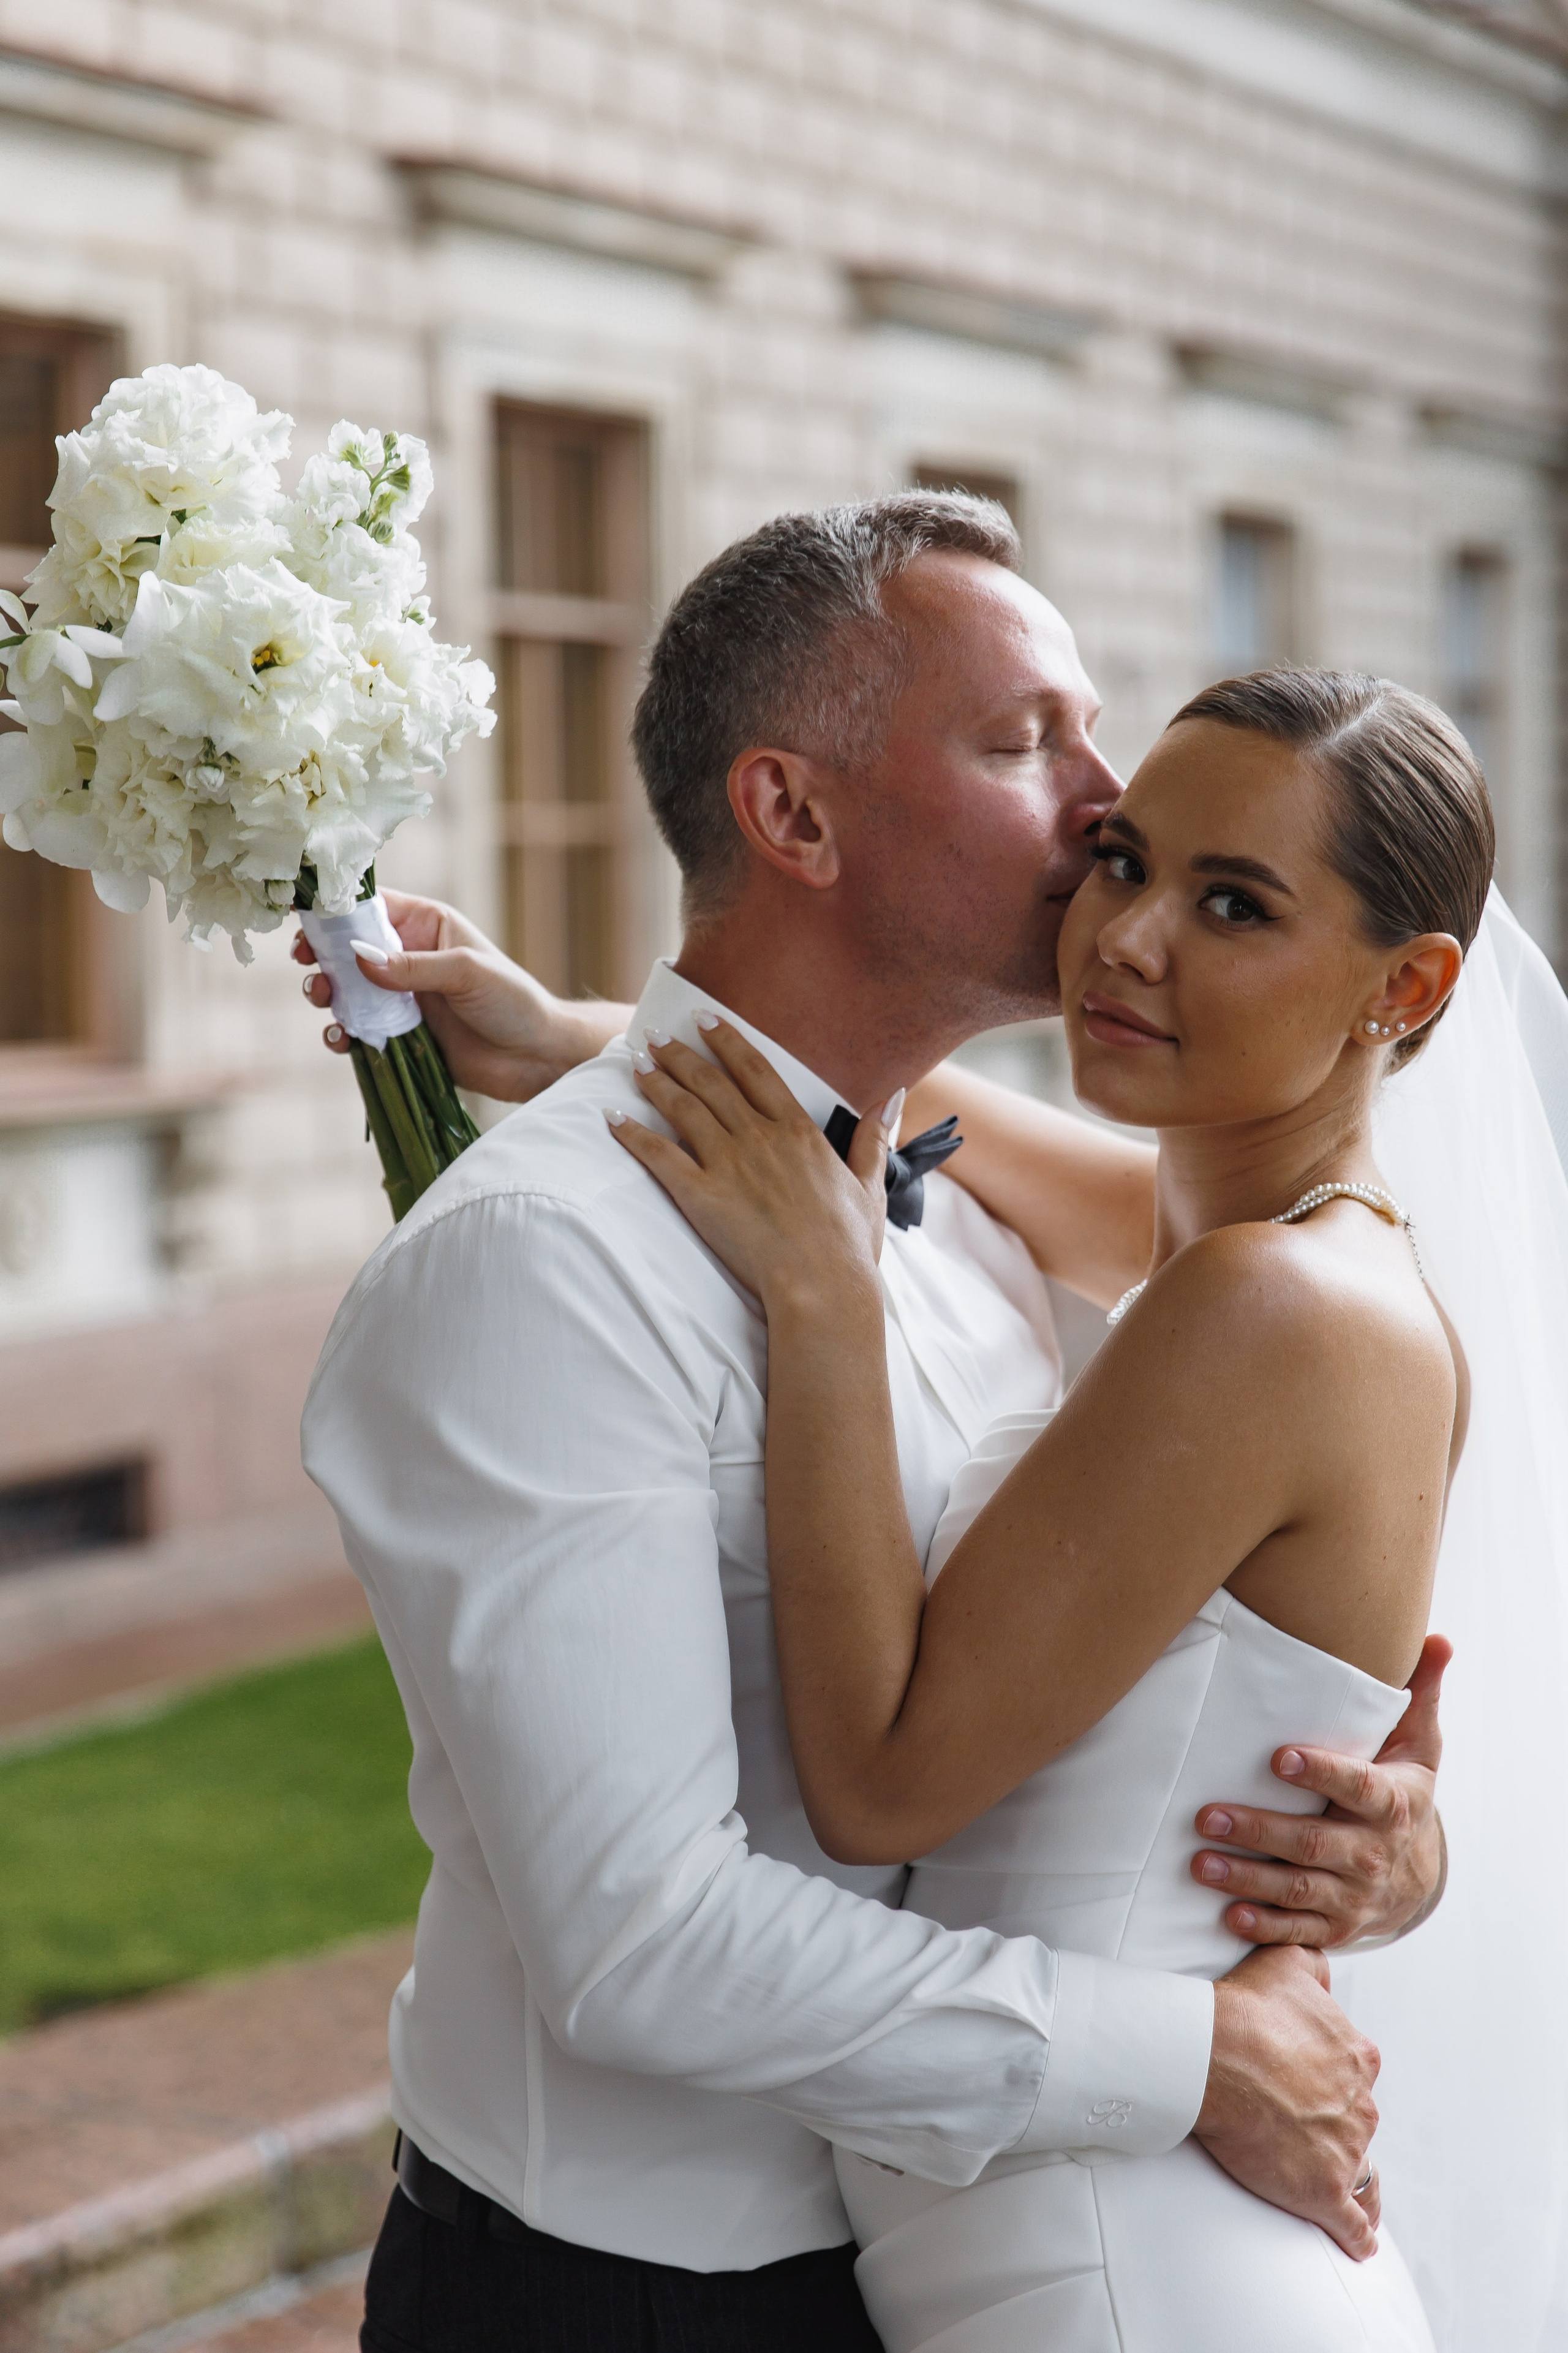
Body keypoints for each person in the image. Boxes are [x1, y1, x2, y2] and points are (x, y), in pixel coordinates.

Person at [300, 497, 1446, 2353]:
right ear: (797, 816)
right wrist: (1194, 2050)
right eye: (1025, 742)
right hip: (640, 2301)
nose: (1101, 805)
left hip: (968, 2265)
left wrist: (1374, 1836)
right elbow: (646, 1940)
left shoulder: (974, 1206)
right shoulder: (540, 1262)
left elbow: (1148, 1677)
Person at [604, 665, 1484, 2349]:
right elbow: (927, 1110)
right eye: (1129, 860)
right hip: (1081, 2214)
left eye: (1233, 904)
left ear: (1409, 985)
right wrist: (574, 1036)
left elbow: (878, 1779)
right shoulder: (1264, 1249)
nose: (1127, 939)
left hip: (1126, 2258)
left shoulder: (1273, 1310)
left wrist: (826, 1294)